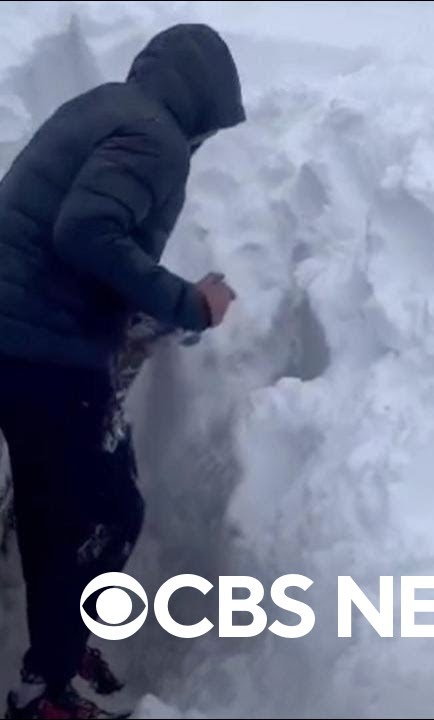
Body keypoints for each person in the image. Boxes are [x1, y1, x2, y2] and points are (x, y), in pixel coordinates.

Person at [0, 23, 243, 720]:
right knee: (107, 513)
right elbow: (83, 231)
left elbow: (62, 228)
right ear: (201, 102)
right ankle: (44, 691)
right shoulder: (157, 139)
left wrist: (137, 313)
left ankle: (56, 651)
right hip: (42, 354)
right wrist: (187, 302)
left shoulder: (106, 107)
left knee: (56, 516)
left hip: (19, 340)